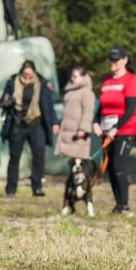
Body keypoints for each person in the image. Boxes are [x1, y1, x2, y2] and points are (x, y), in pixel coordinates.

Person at [0, 60, 57, 197]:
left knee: (38, 155)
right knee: (14, 157)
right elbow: (2, 101)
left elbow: (49, 105)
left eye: (30, 74)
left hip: (36, 123)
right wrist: (8, 102)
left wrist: (54, 122)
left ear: (34, 73)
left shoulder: (41, 84)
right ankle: (11, 189)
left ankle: (37, 187)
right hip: (17, 123)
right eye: (25, 74)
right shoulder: (12, 83)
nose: (27, 77)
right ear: (21, 72)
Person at [94, 46, 136, 215]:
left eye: (116, 59)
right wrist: (95, 123)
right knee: (111, 168)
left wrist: (117, 128)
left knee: (118, 165)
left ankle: (125, 205)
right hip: (106, 131)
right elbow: (101, 107)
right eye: (110, 59)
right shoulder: (107, 81)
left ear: (125, 60)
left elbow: (131, 109)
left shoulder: (130, 80)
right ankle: (118, 205)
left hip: (125, 131)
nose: (112, 62)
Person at [53, 66, 95, 206]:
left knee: (81, 169)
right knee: (72, 169)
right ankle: (69, 200)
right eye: (72, 76)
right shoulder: (71, 92)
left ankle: (86, 197)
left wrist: (83, 128)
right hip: (69, 134)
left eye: (75, 76)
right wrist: (59, 124)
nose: (72, 79)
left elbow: (88, 112)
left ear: (83, 77)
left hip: (79, 136)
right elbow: (66, 113)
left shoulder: (86, 93)